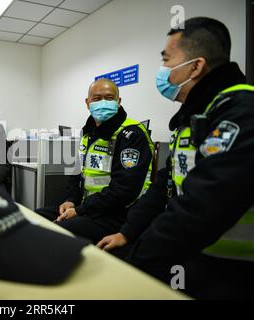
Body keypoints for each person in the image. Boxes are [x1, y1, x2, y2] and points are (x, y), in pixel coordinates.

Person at [97, 17, 254, 299]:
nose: (163, 71)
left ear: (196, 66)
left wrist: (137, 261)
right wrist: (128, 233)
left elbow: (203, 205)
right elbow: (164, 185)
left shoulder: (241, 110)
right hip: (193, 252)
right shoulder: (194, 114)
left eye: (167, 61)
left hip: (234, 269)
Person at [36, 79, 153, 248]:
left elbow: (124, 191)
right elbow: (77, 173)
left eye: (109, 98)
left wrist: (80, 210)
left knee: (55, 232)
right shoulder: (88, 133)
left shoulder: (131, 134)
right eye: (97, 98)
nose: (103, 103)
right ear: (87, 102)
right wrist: (70, 200)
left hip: (118, 213)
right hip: (89, 207)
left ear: (119, 102)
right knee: (35, 217)